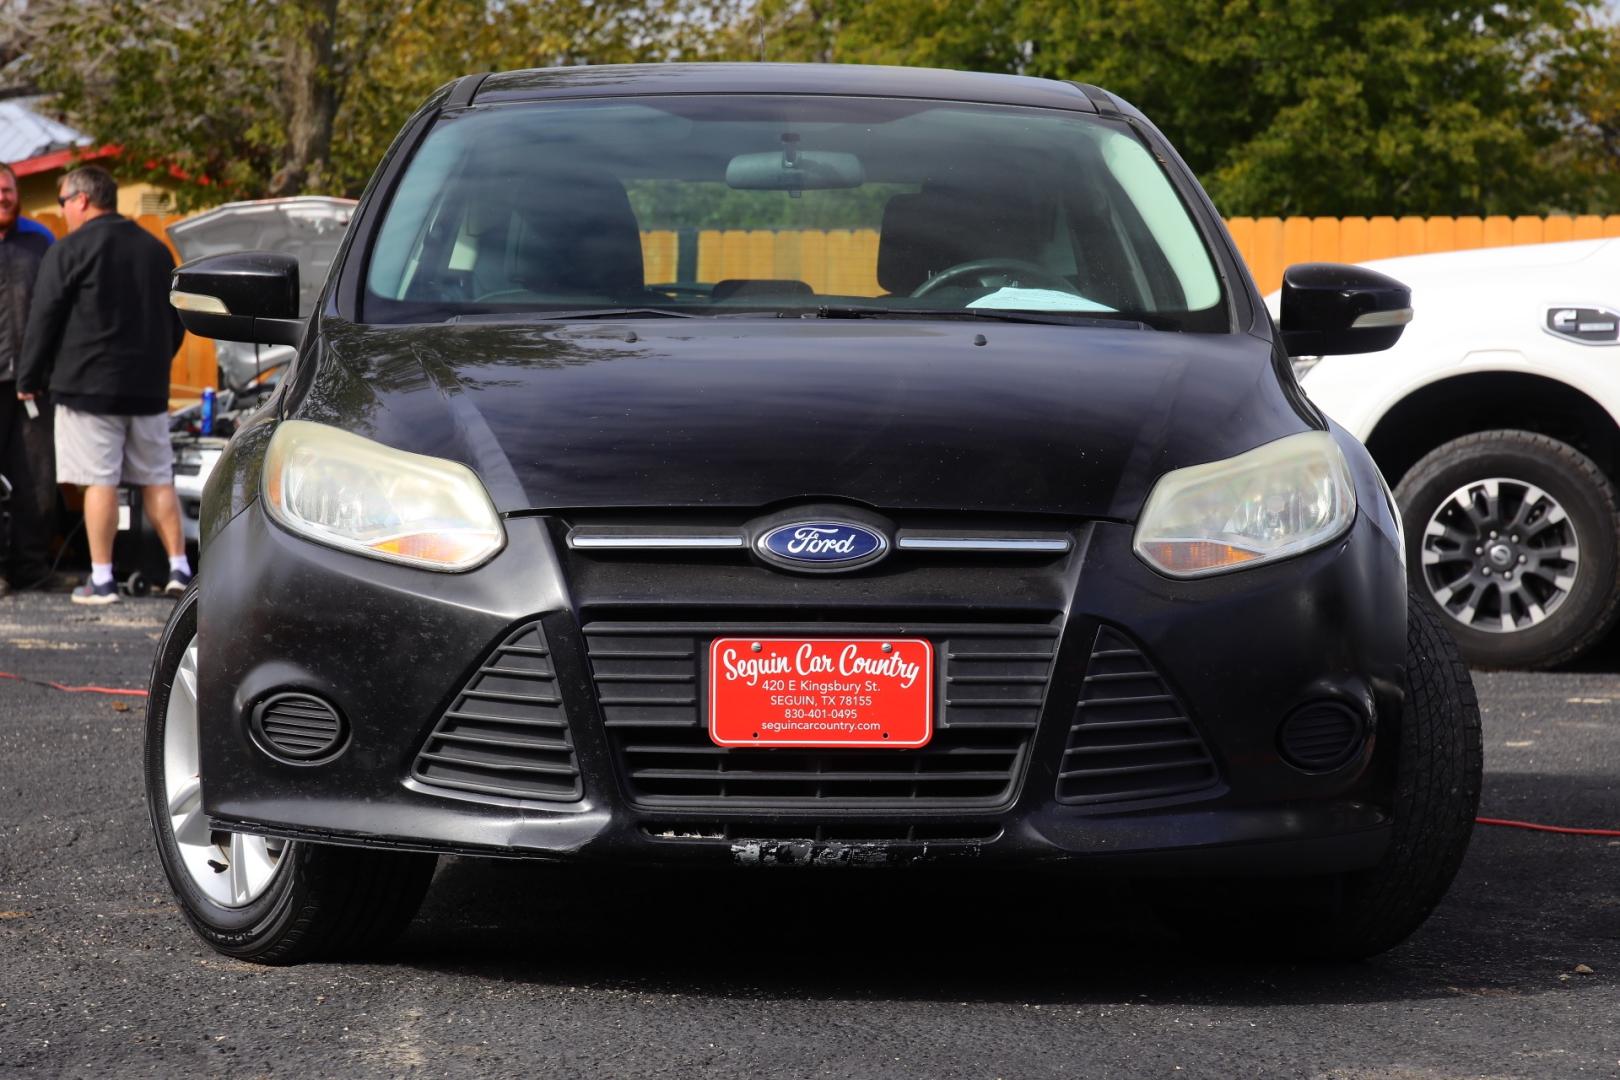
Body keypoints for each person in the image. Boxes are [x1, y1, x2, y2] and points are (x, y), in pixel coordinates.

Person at [16, 165, 190, 605]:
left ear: (80, 200)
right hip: (148, 390)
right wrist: (156, 364)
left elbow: (45, 317)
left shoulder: (70, 249)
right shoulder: (155, 250)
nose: (63, 212)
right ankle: (179, 570)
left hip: (87, 388)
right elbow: (177, 319)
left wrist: (30, 377)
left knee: (100, 482)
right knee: (156, 478)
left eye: (62, 203)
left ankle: (102, 579)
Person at [0, 162, 54, 597]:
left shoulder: (42, 241)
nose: (3, 195)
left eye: (8, 188)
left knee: (36, 476)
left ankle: (32, 568)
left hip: (33, 382)